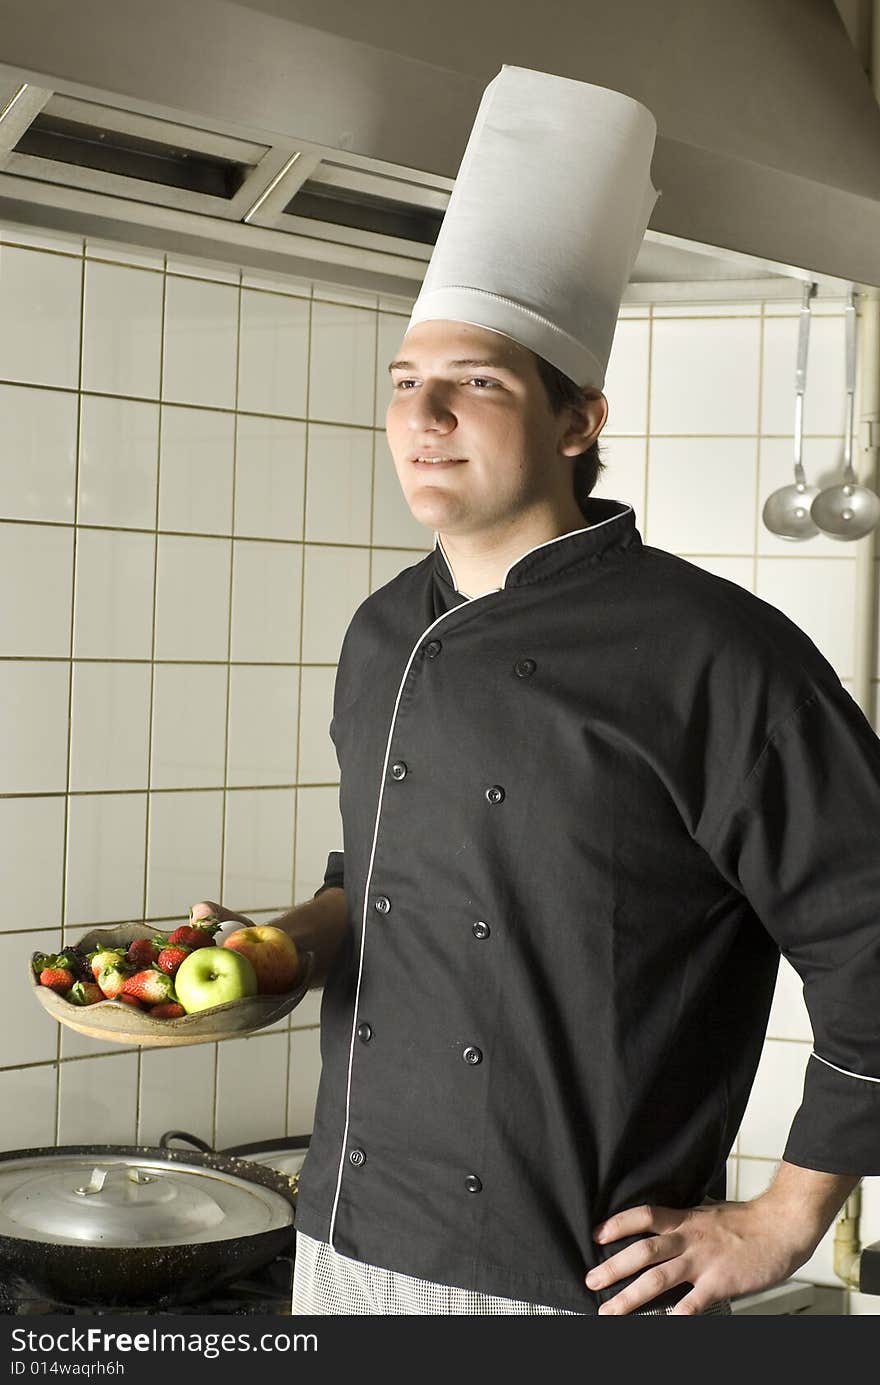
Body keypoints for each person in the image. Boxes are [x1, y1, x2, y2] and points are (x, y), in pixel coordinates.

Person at [192, 67, 880, 1316]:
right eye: (404, 381)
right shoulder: (383, 628)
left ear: (579, 420)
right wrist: (287, 940)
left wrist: (785, 1215)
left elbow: (875, 925)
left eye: (479, 382)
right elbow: (387, 875)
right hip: (342, 1243)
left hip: (569, 1277)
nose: (425, 414)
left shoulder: (714, 652)